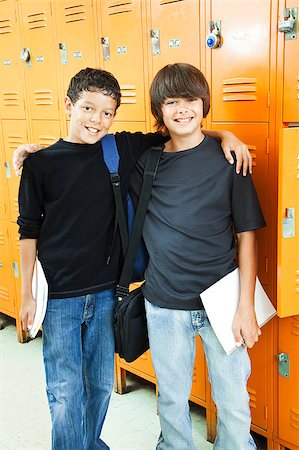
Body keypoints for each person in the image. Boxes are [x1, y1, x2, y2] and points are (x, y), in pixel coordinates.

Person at [16, 67, 251, 450]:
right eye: (88, 109)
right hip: (61, 297)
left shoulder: (119, 149)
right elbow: (28, 230)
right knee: (65, 390)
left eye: (107, 112)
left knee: (101, 385)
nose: (97, 119)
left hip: (108, 291)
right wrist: (26, 292)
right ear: (68, 106)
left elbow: (183, 130)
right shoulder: (42, 165)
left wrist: (227, 134)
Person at [129, 63, 266, 450]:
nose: (182, 109)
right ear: (160, 111)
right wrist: (40, 154)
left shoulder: (230, 160)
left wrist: (245, 308)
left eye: (190, 99)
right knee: (172, 398)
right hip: (164, 302)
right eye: (171, 102)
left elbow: (247, 237)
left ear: (204, 104)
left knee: (233, 401)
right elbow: (90, 154)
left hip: (223, 301)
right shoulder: (147, 163)